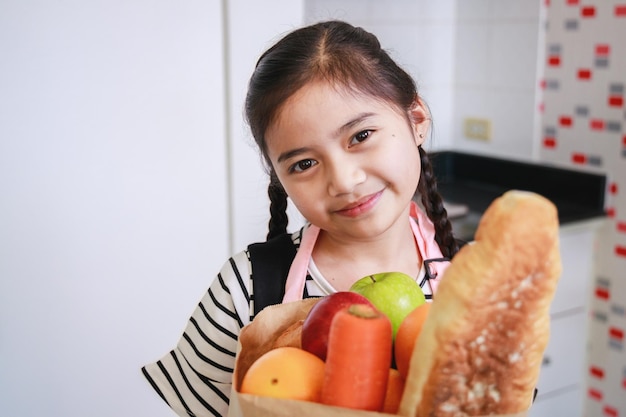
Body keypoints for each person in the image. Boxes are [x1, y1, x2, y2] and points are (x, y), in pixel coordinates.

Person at [142, 19, 461, 417]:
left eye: (360, 136)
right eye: (305, 163)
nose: (344, 181)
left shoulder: (474, 284)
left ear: (416, 119)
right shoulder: (245, 289)